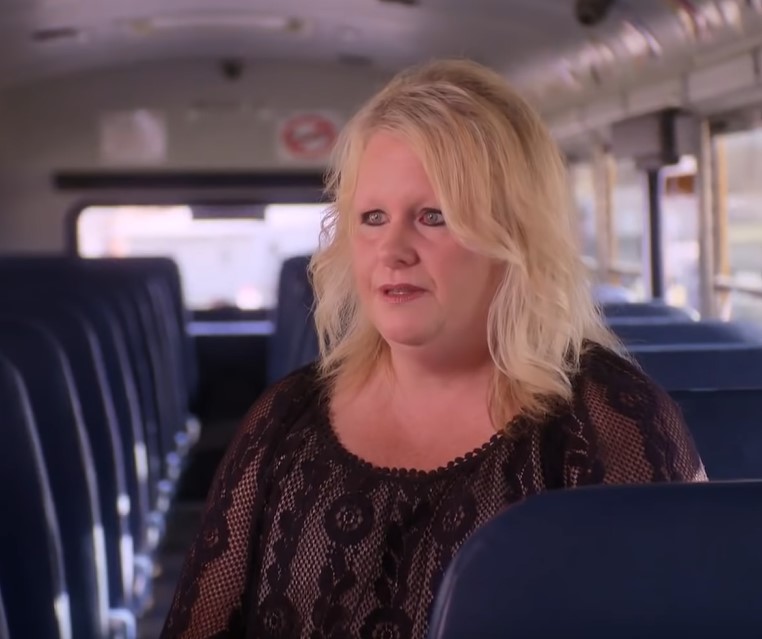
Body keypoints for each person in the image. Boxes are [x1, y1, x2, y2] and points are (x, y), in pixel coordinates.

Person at [160, 58, 706, 639]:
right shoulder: (284, 420)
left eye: (433, 216)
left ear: (512, 235)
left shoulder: (607, 419)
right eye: (372, 217)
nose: (391, 248)